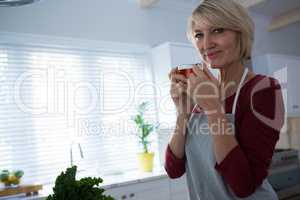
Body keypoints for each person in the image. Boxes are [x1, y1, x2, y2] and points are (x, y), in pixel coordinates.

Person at [165, 0, 285, 199]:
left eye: (218, 30)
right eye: (199, 35)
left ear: (241, 33)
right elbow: (173, 169)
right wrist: (183, 113)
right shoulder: (201, 91)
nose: (206, 43)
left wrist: (213, 108)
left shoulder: (263, 90)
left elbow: (243, 185)